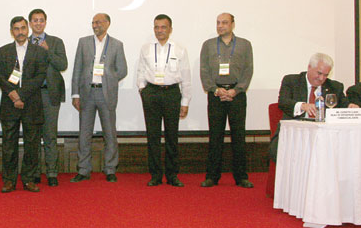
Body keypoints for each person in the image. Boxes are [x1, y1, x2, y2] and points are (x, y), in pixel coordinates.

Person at [70, 13, 127, 183]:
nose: (95, 25)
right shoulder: (84, 42)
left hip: (106, 93)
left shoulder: (117, 44)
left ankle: (110, 169)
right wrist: (75, 94)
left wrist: (107, 75)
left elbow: (122, 70)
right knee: (84, 134)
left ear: (108, 23)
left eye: (99, 22)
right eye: (93, 22)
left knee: (110, 133)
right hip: (87, 93)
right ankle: (83, 169)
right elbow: (77, 69)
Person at [270, 52, 358, 162]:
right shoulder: (292, 81)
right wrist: (302, 106)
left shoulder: (335, 86)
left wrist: (350, 106)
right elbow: (283, 102)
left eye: (326, 75)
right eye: (319, 73)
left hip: (324, 137)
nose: (321, 78)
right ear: (309, 67)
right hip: (294, 135)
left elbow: (344, 104)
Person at [199, 12, 253, 188]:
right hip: (216, 95)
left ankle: (241, 177)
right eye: (218, 23)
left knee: (239, 136)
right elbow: (204, 71)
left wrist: (236, 91)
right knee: (215, 137)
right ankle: (212, 177)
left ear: (233, 24)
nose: (220, 25)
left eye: (224, 22)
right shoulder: (208, 45)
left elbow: (248, 70)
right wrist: (215, 89)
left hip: (237, 95)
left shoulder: (245, 45)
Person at [136, 14, 191, 187]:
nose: (159, 30)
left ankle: (172, 175)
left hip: (172, 93)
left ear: (170, 29)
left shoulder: (180, 49)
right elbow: (140, 71)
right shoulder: (146, 48)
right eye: (156, 27)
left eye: (163, 27)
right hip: (151, 92)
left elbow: (187, 78)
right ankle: (155, 175)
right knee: (152, 136)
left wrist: (185, 102)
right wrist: (143, 90)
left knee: (171, 136)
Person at [0, 16, 47, 193]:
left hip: (31, 104)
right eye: (16, 29)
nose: (20, 32)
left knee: (31, 145)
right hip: (9, 104)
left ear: (28, 29)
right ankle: (9, 180)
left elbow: (40, 77)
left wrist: (21, 95)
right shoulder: (3, 51)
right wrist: (13, 96)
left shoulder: (39, 51)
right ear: (12, 31)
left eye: (23, 28)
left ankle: (28, 179)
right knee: (8, 145)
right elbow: (2, 77)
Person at [28, 8, 67, 187]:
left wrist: (48, 51)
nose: (38, 23)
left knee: (50, 135)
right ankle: (35, 172)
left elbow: (62, 64)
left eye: (41, 20)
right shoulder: (24, 42)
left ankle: (52, 172)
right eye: (35, 20)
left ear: (45, 22)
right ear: (30, 23)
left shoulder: (55, 42)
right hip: (31, 95)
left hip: (50, 93)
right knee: (33, 136)